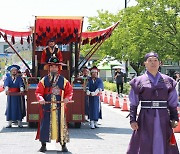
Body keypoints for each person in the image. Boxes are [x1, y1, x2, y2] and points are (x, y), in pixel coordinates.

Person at [127, 52, 179, 154]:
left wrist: (174, 118)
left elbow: (173, 102)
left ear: (160, 63)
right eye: (150, 60)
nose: (153, 63)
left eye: (155, 60)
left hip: (164, 117)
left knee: (163, 140)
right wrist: (132, 120)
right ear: (145, 63)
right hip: (145, 117)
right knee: (145, 142)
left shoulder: (169, 81)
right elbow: (134, 102)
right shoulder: (138, 81)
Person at [35, 56, 73, 152]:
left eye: (56, 67)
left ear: (58, 68)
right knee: (44, 124)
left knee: (61, 124)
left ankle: (63, 145)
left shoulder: (64, 80)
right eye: (51, 66)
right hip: (46, 106)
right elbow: (38, 92)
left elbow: (69, 91)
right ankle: (43, 145)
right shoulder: (43, 80)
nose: (54, 68)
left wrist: (67, 98)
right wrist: (41, 98)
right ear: (49, 68)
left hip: (59, 106)